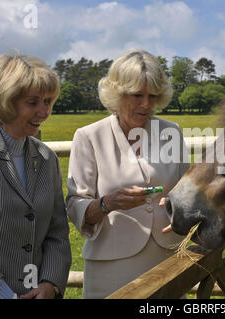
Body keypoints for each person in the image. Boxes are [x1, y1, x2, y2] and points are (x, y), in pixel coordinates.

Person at [66, 49, 190, 298]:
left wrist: (177, 202)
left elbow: (188, 189)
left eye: (153, 96)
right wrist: (107, 203)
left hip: (168, 257)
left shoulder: (171, 132)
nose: (146, 104)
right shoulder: (89, 136)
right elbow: (74, 204)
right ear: (117, 94)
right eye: (137, 95)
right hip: (111, 264)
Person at [0, 54, 72, 299]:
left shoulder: (46, 157)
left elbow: (57, 231)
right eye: (33, 102)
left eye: (48, 101)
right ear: (4, 101)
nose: (44, 112)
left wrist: (50, 284)